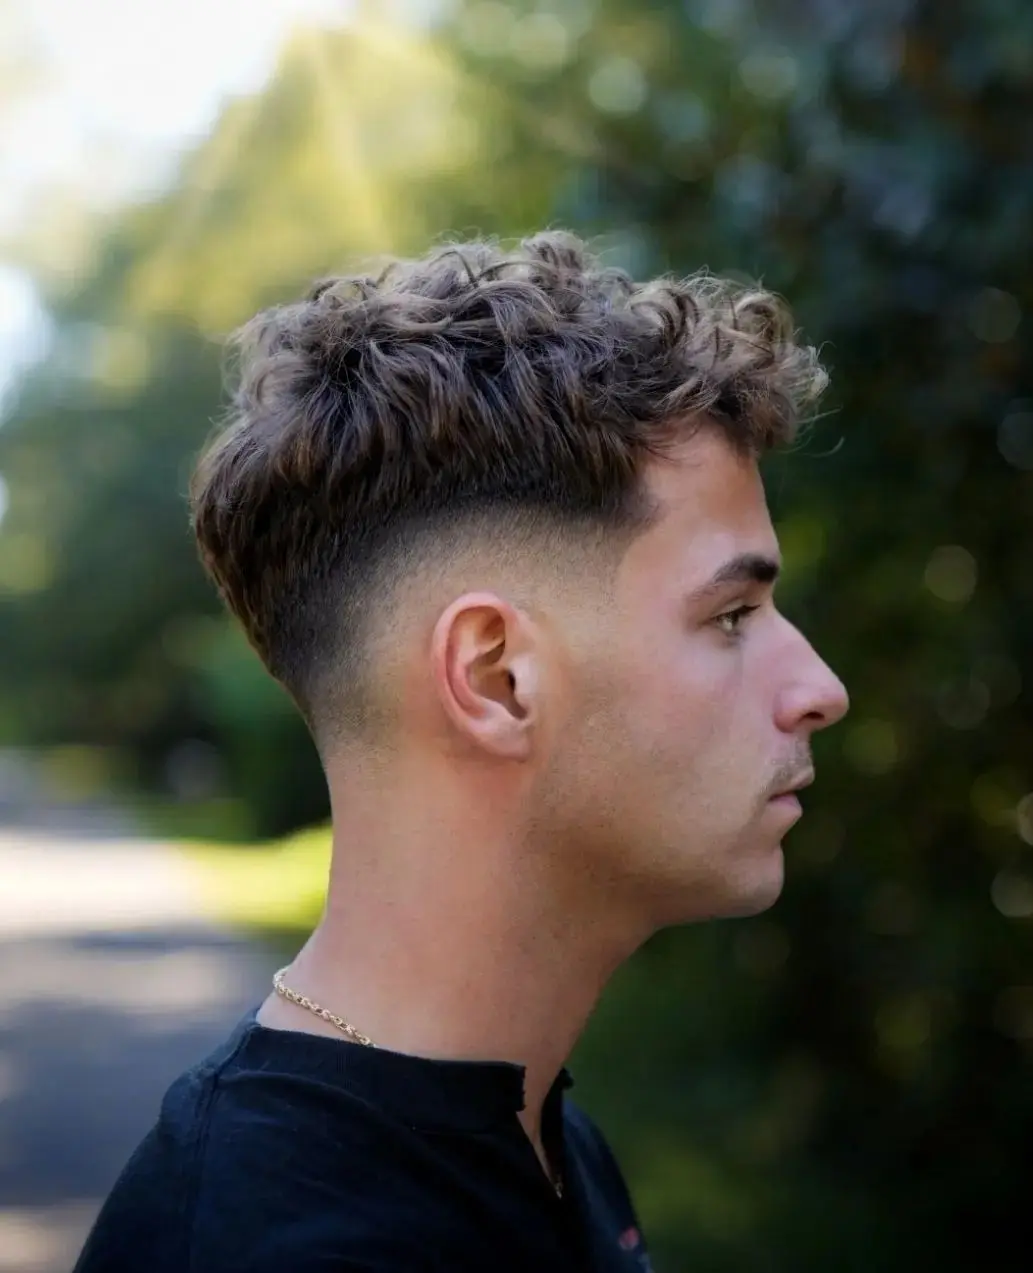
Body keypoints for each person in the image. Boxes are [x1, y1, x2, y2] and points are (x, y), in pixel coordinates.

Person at [73, 230, 848, 1272]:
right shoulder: (265, 1245)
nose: (819, 690)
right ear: (495, 677)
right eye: (731, 614)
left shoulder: (536, 1133)